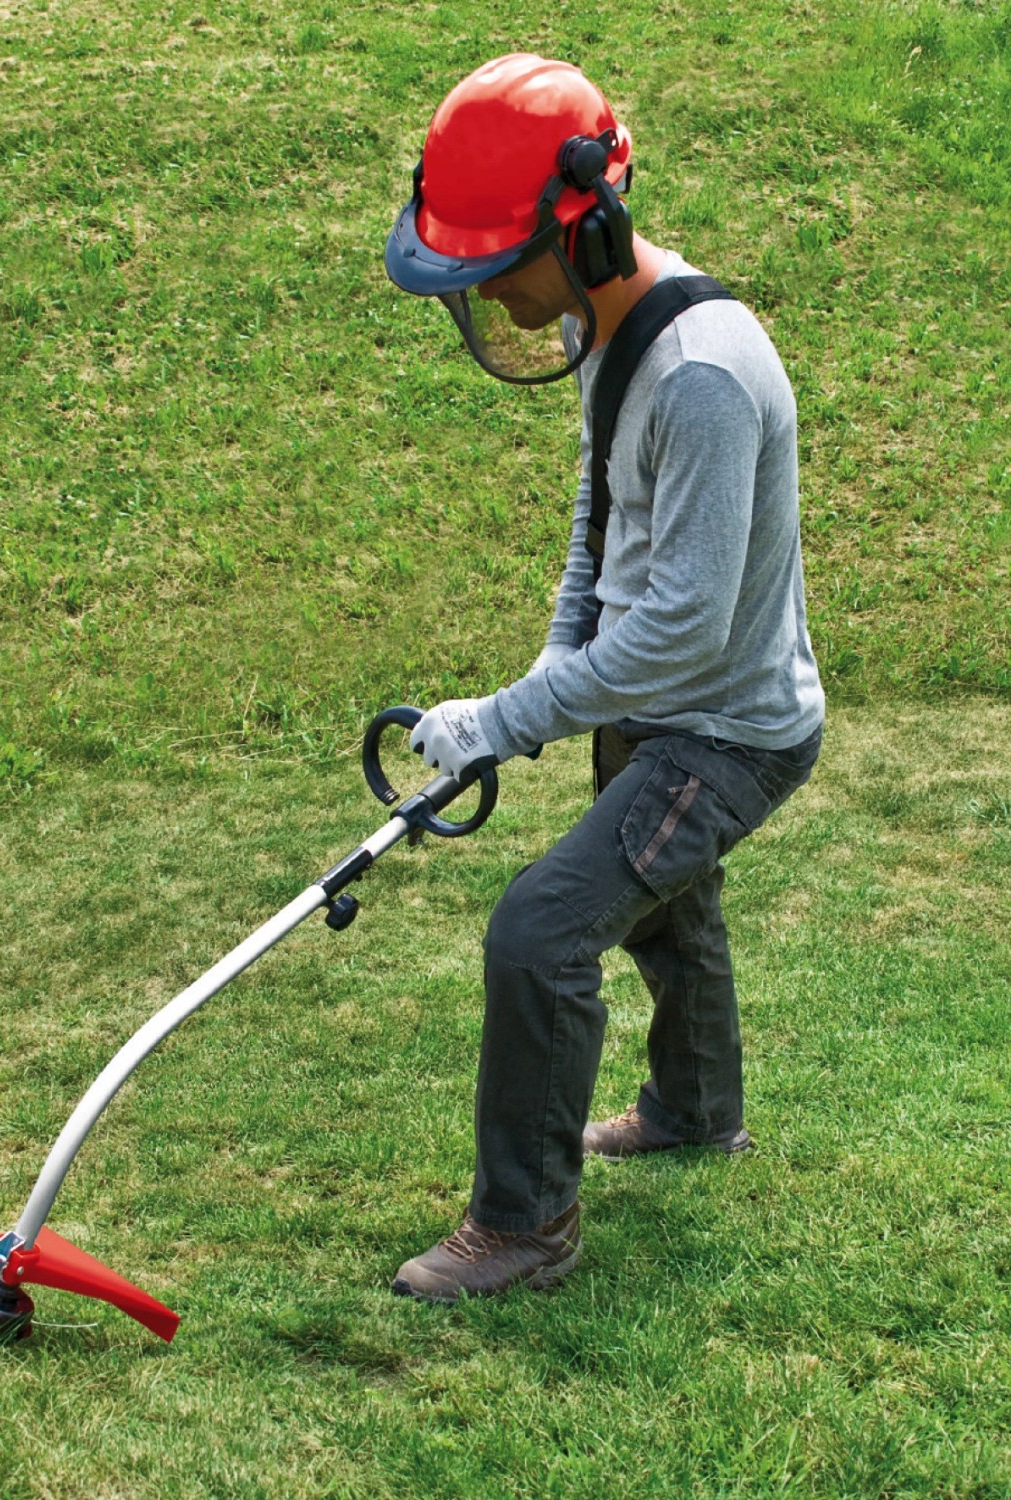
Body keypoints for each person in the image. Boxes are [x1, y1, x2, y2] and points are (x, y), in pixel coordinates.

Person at [381, 54, 825, 1301]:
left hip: (727, 730)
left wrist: (512, 718)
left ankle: (522, 1227)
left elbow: (681, 628)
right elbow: (599, 533)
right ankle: (695, 1110)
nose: (489, 293)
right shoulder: (606, 333)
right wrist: (538, 681)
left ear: (588, 228)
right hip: (652, 705)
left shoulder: (701, 376)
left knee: (542, 930)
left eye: (496, 268)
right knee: (670, 915)